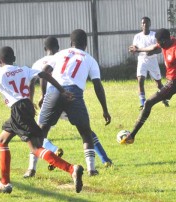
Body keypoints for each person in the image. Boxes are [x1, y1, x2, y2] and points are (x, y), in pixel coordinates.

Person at [0, 46, 84, 193]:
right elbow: (44, 75)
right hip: (25, 107)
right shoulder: (23, 69)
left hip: (18, 110)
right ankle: (4, 183)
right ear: (14, 59)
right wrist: (62, 90)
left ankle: (71, 169)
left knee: (36, 148)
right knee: (2, 140)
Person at [24, 36, 112, 178]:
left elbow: (44, 72)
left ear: (71, 43)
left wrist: (44, 94)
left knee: (40, 132)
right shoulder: (90, 59)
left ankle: (31, 169)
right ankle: (91, 169)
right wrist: (105, 109)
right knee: (85, 132)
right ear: (86, 45)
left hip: (54, 92)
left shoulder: (61, 54)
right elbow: (98, 86)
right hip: (74, 93)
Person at [131, 17, 169, 110]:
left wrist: (153, 52)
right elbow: (134, 48)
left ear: (150, 24)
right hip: (142, 60)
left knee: (159, 84)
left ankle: (164, 98)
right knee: (140, 81)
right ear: (141, 25)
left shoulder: (154, 35)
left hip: (152, 60)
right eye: (143, 23)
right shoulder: (137, 36)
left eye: (147, 23)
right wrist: (131, 49)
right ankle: (143, 103)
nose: (145, 25)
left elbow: (160, 49)